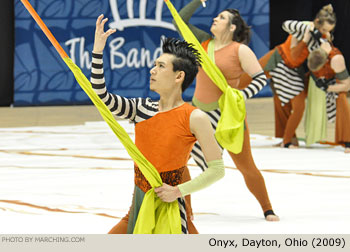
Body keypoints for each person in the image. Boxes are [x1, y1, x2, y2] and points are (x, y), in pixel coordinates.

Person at [91, 14, 225, 234]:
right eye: (154, 65)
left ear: (178, 76)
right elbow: (102, 98)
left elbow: (217, 170)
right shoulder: (141, 108)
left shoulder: (194, 117)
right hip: (138, 208)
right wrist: (98, 51)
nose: (152, 70)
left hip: (171, 209)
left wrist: (178, 191)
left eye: (161, 66)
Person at [175, 0, 279, 221]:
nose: (215, 19)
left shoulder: (240, 50)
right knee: (179, 161)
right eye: (216, 17)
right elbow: (180, 21)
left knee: (246, 166)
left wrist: (242, 94)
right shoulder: (203, 42)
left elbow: (260, 79)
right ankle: (187, 211)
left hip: (226, 117)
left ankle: (267, 208)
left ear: (232, 27)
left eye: (221, 18)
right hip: (198, 115)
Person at [307, 41, 350, 153]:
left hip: (337, 81)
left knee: (342, 100)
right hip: (324, 77)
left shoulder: (336, 60)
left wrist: (327, 88)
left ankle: (348, 140)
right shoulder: (315, 52)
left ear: (325, 62)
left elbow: (346, 85)